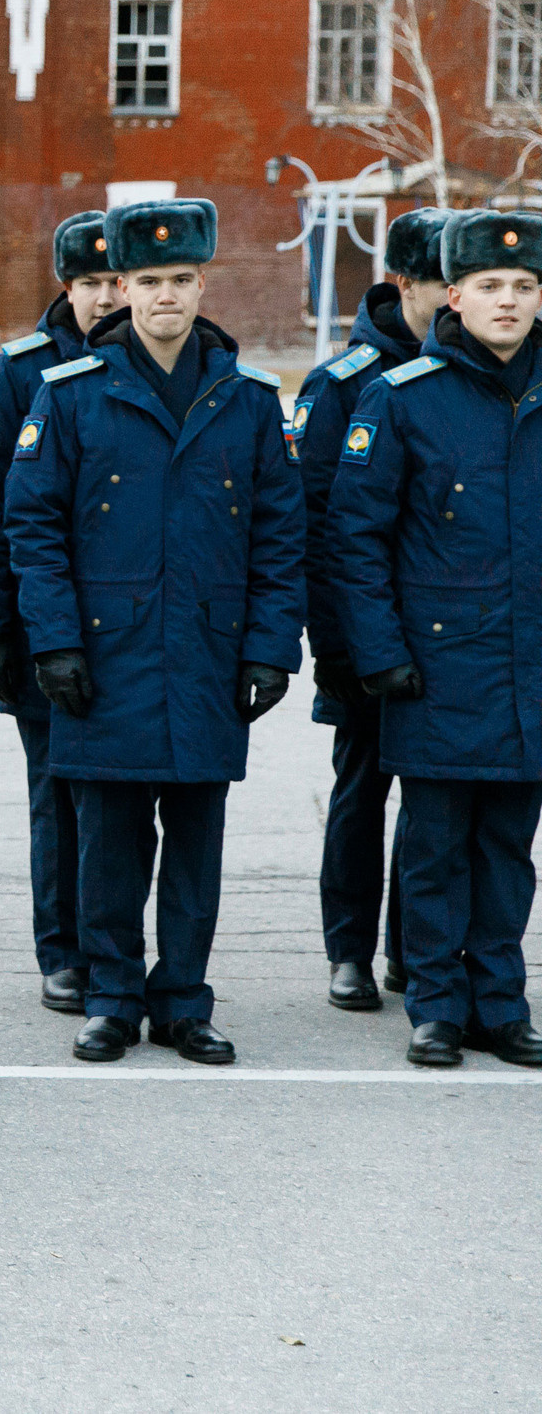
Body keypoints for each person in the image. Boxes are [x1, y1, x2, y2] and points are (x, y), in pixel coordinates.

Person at [3, 197, 304, 1066]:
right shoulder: (70, 397)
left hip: (208, 657)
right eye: (147, 280)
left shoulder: (247, 402)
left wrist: (270, 648)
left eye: (180, 279)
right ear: (122, 287)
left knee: (197, 845)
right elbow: (33, 526)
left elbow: (281, 537)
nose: (165, 295)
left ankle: (183, 999)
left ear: (203, 284)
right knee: (109, 840)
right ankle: (111, 995)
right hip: (106, 656)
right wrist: (52, 640)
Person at [327, 208, 542, 1069]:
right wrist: (378, 654)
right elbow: (356, 537)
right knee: (434, 845)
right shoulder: (403, 396)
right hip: (437, 668)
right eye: (490, 285)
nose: (508, 300)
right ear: (454, 293)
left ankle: (501, 999)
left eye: (525, 287)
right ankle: (437, 1004)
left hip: (528, 671)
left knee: (508, 851)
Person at [0, 212, 127, 1015]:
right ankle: (63, 950)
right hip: (42, 629)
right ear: (66, 286)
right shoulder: (24, 370)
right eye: (88, 283)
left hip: (131, 629)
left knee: (123, 799)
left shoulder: (147, 364)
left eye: (112, 281)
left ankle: (116, 948)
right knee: (56, 794)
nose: (103, 297)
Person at [294, 208, 448, 1011]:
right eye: (441, 284)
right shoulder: (343, 382)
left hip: (447, 638)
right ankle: (348, 950)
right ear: (401, 284)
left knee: (434, 803)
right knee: (361, 791)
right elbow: (313, 526)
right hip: (361, 633)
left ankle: (410, 951)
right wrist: (337, 644)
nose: (455, 299)